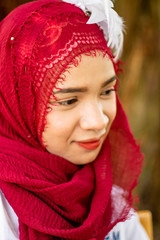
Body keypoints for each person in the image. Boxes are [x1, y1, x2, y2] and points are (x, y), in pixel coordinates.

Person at [0, 0, 149, 239]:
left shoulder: (111, 207)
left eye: (107, 91)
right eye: (69, 101)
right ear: (16, 107)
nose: (98, 122)